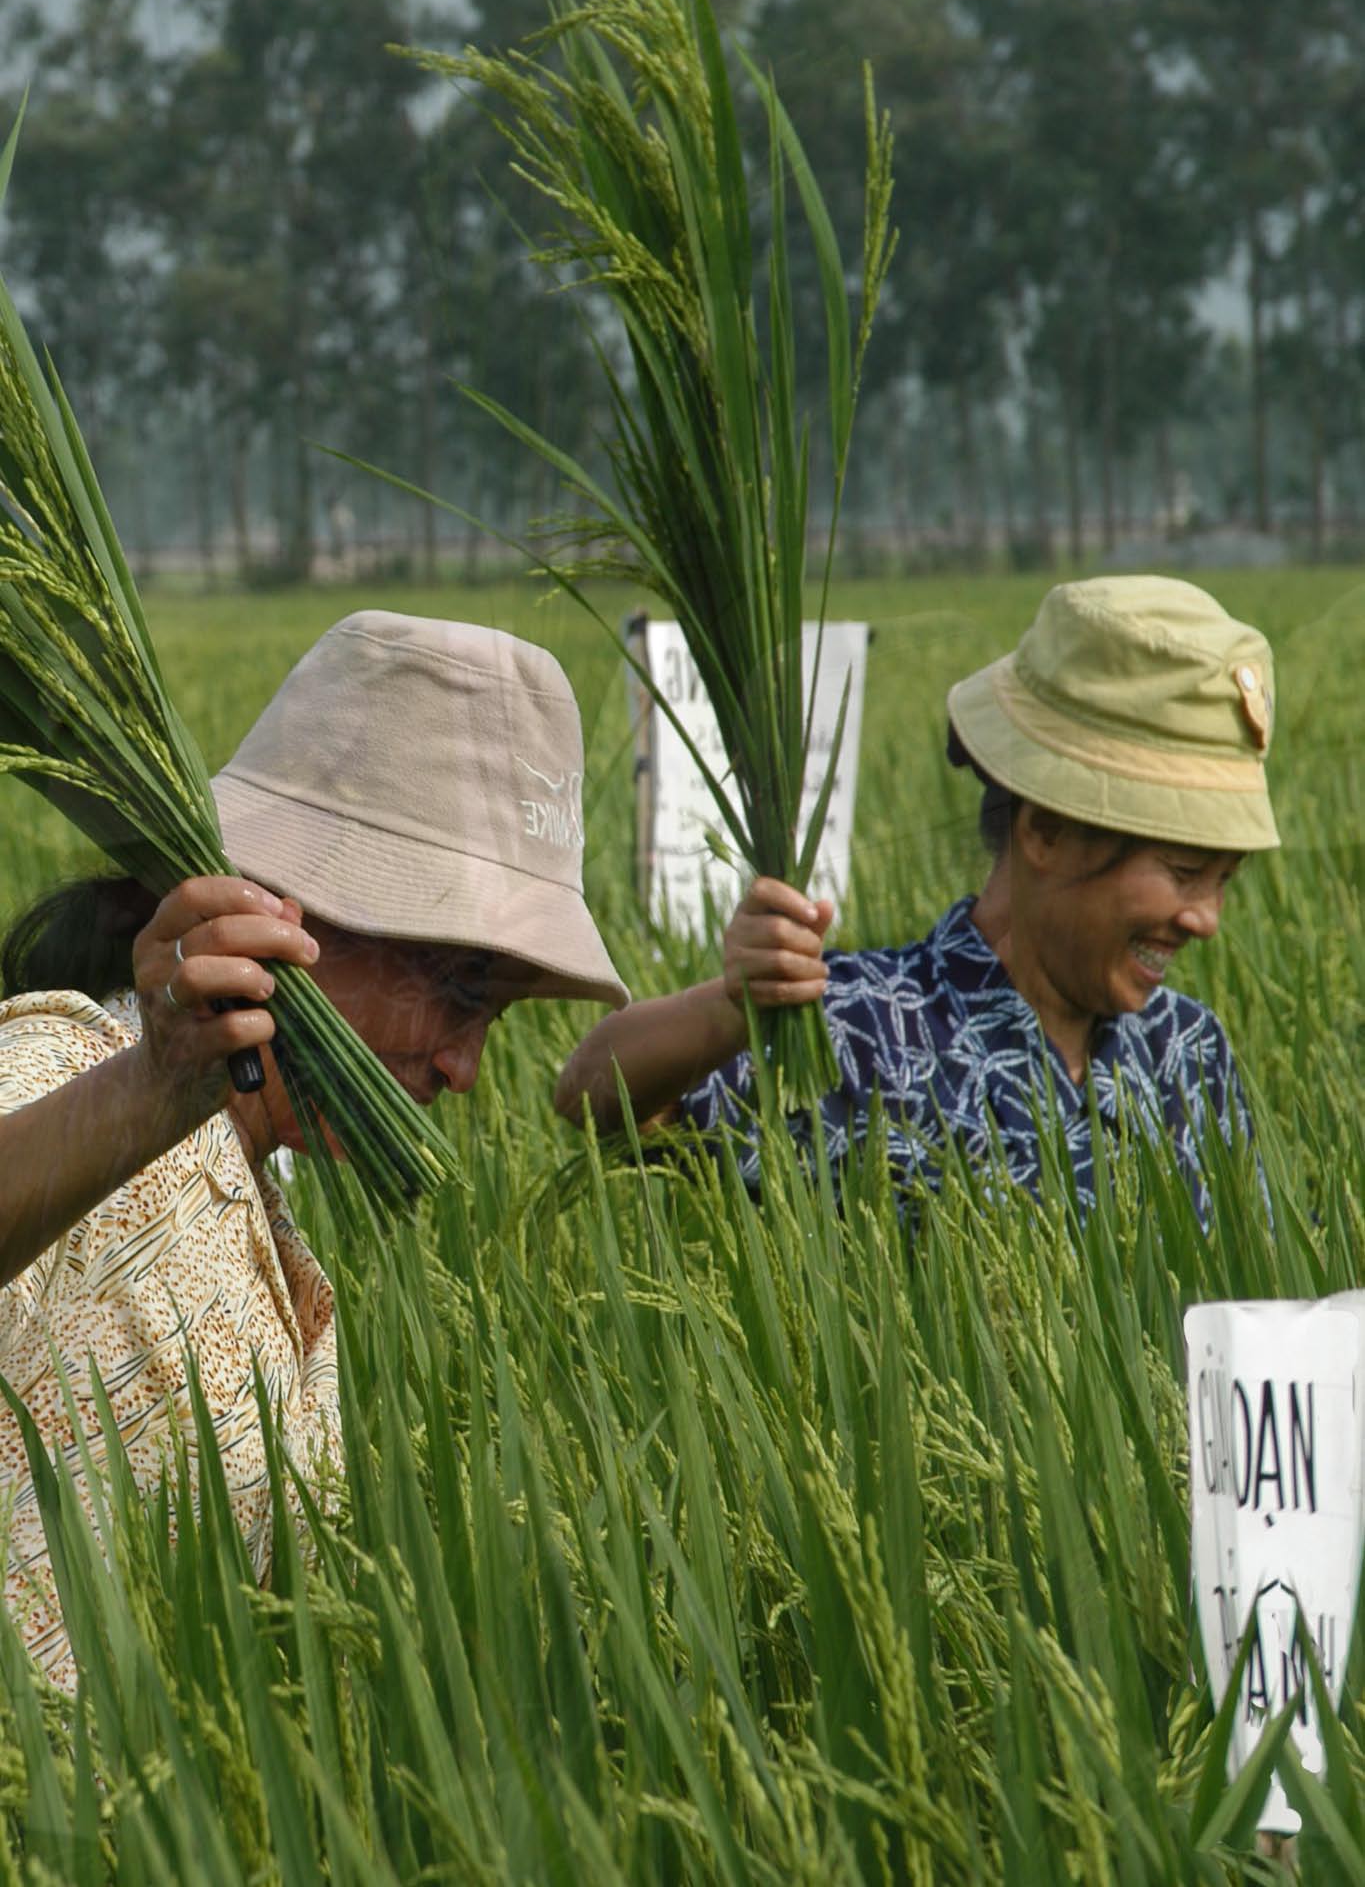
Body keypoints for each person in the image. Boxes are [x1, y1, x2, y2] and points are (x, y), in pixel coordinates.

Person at [0, 610, 627, 1689]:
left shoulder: (253, 1167)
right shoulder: (66, 1071)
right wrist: (148, 1090)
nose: (467, 1070)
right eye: (462, 992)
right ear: (293, 916)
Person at [555, 575, 1278, 1217]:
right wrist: (737, 1004)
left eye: (1223, 880)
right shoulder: (864, 1030)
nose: (1205, 919)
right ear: (1047, 832)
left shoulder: (1186, 1049)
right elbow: (595, 1099)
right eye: (1183, 873)